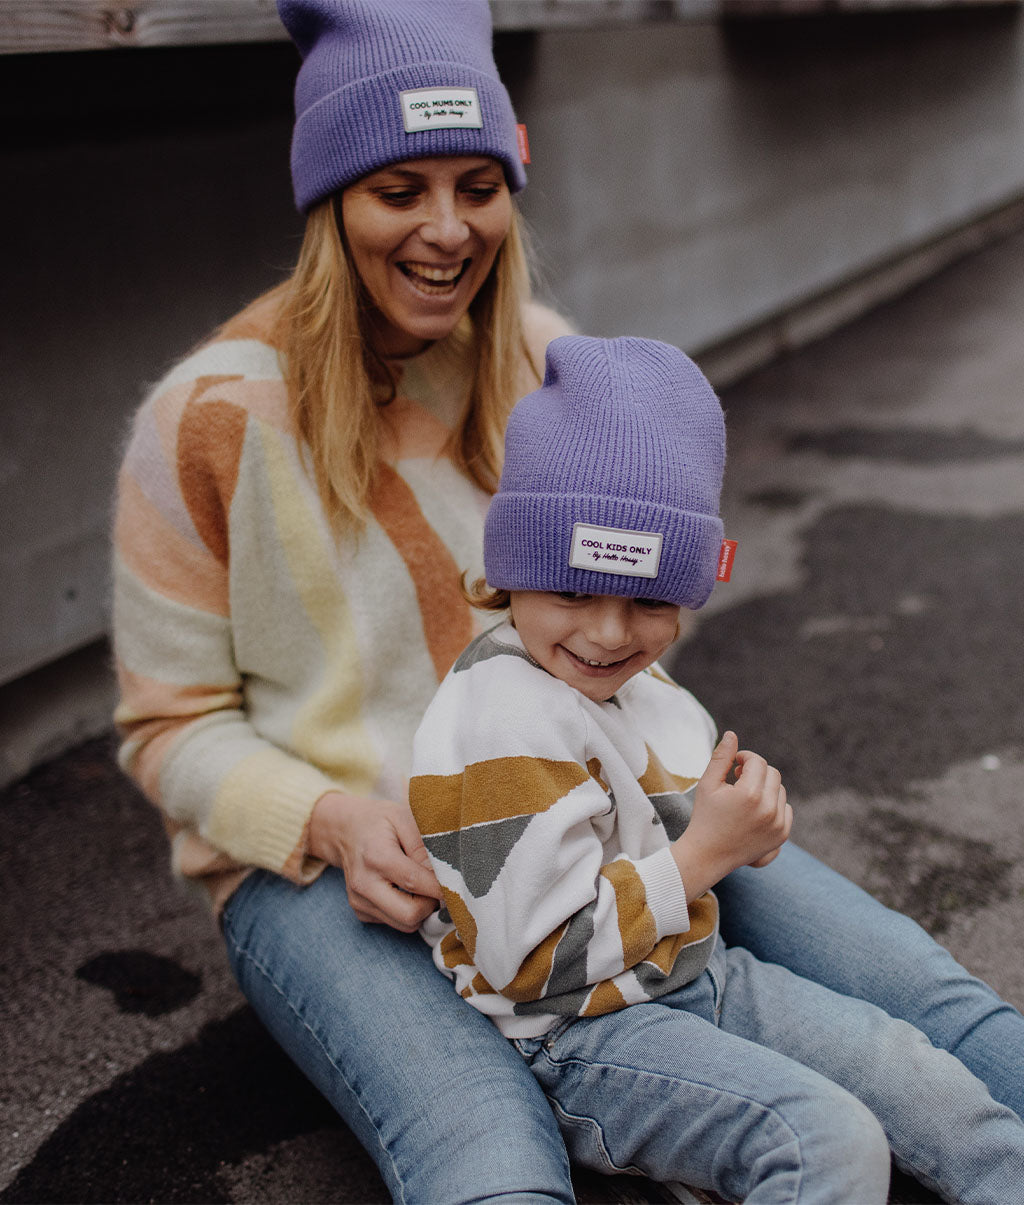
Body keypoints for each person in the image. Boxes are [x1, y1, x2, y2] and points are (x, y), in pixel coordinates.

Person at [110, 0, 1024, 1199]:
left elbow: (619, 613)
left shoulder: (550, 365)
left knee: (926, 1003)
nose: (447, 228)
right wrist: (326, 818)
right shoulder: (206, 415)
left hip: (603, 811)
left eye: (479, 183)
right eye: (401, 188)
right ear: (331, 199)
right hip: (342, 873)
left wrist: (690, 784)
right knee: (488, 1149)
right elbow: (168, 726)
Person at [408, 334, 1024, 1204]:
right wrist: (703, 855)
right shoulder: (501, 719)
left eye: (651, 599)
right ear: (512, 570)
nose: (610, 633)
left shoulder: (644, 688)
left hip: (701, 973)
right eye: (572, 590)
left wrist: (744, 820)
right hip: (584, 1034)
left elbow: (693, 819)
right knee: (825, 1139)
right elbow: (533, 962)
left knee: (921, 1073)